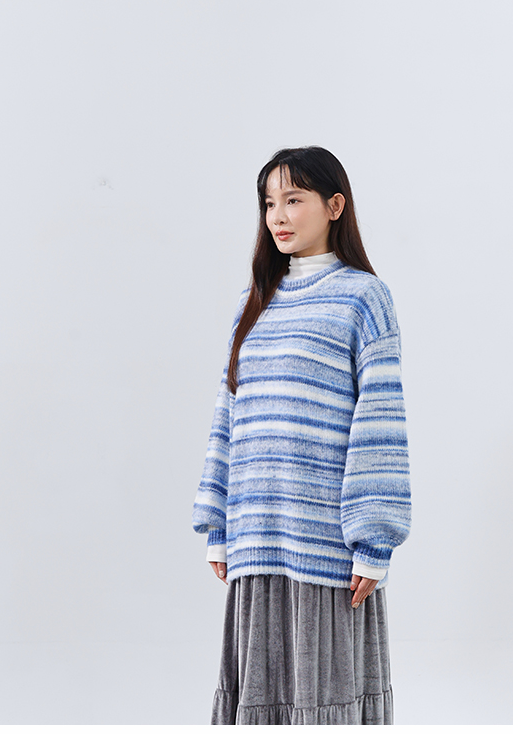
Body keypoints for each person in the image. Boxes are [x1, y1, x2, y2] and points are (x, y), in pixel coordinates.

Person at [192, 145, 412, 725]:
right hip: (256, 538)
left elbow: (381, 422)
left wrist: (374, 540)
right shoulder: (254, 302)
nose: (278, 217)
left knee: (324, 703)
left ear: (334, 206)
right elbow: (228, 414)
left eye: (293, 200)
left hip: (325, 546)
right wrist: (218, 524)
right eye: (269, 203)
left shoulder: (364, 298)